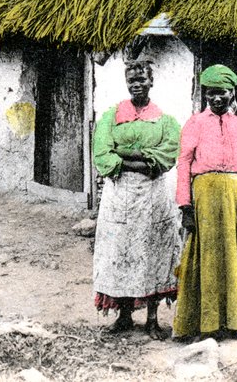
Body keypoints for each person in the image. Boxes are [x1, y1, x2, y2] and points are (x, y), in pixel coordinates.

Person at [172, 64, 237, 341]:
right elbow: (184, 163)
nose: (217, 98)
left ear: (231, 93)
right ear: (205, 95)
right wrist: (185, 207)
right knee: (206, 258)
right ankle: (206, 326)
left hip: (235, 197)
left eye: (222, 93)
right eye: (212, 93)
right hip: (204, 197)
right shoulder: (194, 124)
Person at [91, 60, 182, 339]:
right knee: (121, 250)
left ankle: (153, 319)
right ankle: (124, 316)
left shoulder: (165, 121)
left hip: (154, 196)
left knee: (153, 252)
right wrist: (143, 158)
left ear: (151, 81)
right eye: (131, 80)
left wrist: (126, 156)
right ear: (126, 82)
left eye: (142, 79)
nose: (137, 84)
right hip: (119, 195)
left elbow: (167, 155)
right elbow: (103, 154)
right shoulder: (111, 116)